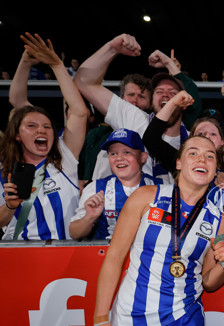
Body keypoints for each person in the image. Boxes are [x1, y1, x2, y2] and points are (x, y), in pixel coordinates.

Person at [93, 134, 224, 326]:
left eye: (210, 155)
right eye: (193, 153)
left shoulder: (219, 218)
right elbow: (114, 257)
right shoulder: (147, 196)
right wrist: (100, 319)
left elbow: (209, 282)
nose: (202, 159)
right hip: (132, 321)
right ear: (179, 163)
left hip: (184, 321)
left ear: (216, 169)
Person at [74, 34, 201, 183]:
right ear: (152, 101)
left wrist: (169, 63)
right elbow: (84, 82)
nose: (166, 95)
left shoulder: (191, 139)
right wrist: (112, 48)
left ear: (183, 101)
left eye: (173, 93)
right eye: (159, 91)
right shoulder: (136, 119)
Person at [1, 33, 88, 240]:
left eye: (47, 126)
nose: (41, 130)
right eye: (31, 126)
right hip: (21, 258)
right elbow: (16, 99)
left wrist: (56, 64)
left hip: (65, 259)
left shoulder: (64, 159)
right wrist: (10, 206)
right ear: (17, 135)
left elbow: (79, 112)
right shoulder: (3, 171)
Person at [69, 129, 162, 240]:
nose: (119, 158)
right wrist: (90, 217)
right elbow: (74, 233)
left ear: (143, 157)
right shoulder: (96, 188)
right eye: (113, 153)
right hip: (106, 255)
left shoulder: (161, 187)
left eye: (127, 152)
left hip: (147, 255)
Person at [78, 73, 153, 189]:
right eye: (131, 94)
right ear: (121, 98)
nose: (135, 100)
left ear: (150, 103)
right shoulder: (99, 136)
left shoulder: (158, 134)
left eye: (142, 96)